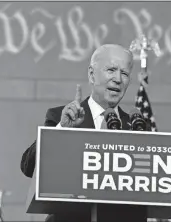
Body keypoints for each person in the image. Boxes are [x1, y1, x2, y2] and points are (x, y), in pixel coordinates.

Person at [21, 44, 136, 222]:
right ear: (91, 74)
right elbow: (28, 166)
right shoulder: (61, 117)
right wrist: (62, 130)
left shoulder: (136, 127)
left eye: (125, 73)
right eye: (111, 70)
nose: (118, 79)